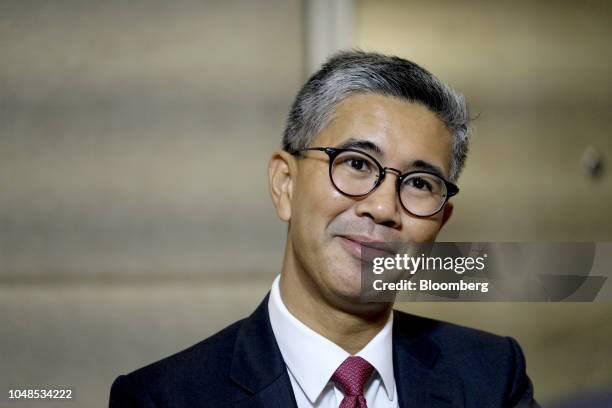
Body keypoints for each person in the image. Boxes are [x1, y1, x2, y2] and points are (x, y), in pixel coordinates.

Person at [109, 51, 538, 407]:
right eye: (356, 164)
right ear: (285, 185)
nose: (384, 207)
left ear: (441, 222)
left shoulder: (492, 377)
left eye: (420, 184)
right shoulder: (164, 398)